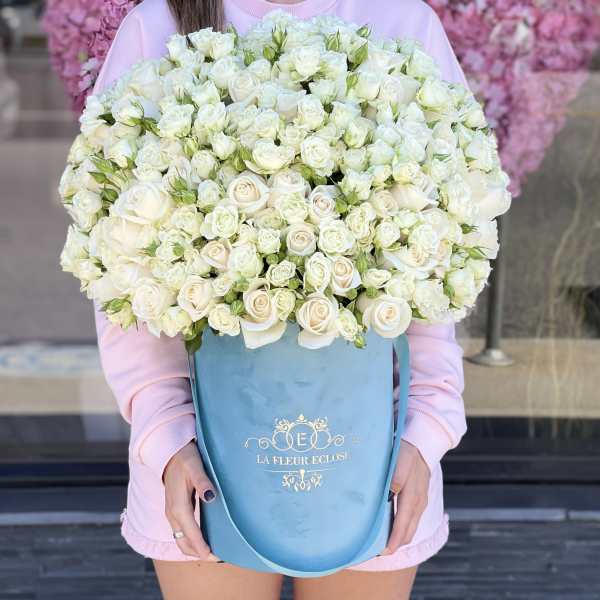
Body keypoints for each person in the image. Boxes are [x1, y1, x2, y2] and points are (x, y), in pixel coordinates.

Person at [93, 0, 468, 598]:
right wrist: (168, 441)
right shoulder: (157, 27)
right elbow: (122, 272)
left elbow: (439, 261)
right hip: (199, 465)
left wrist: (424, 436)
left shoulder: (401, 20)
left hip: (377, 458)